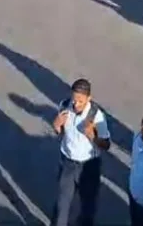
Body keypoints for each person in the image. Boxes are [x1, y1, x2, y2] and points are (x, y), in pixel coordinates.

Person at [51, 79, 110, 226]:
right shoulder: (64, 106)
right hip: (67, 163)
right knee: (61, 205)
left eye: (80, 101)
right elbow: (61, 132)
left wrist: (93, 136)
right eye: (74, 99)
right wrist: (56, 126)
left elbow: (106, 144)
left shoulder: (97, 116)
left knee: (87, 207)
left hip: (88, 166)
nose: (75, 104)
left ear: (88, 98)